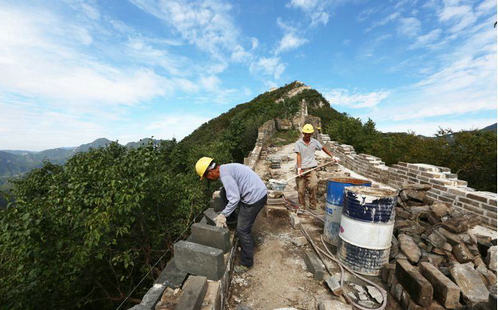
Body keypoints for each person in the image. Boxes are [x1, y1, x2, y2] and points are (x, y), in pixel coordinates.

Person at [195, 157, 267, 272]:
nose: (209, 179)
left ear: (211, 171)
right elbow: (230, 191)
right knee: (224, 192)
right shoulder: (225, 169)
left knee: (242, 230)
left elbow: (234, 198)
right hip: (256, 191)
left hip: (254, 199)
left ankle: (247, 263)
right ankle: (232, 220)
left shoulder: (225, 176)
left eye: (207, 177)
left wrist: (223, 215)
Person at [294, 124, 337, 210]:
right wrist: (299, 169)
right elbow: (298, 156)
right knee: (301, 190)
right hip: (301, 169)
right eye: (306, 133)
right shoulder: (298, 143)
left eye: (309, 134)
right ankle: (302, 205)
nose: (307, 135)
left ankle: (312, 204)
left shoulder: (314, 142)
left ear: (311, 134)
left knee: (313, 186)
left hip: (311, 168)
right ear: (303, 133)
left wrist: (332, 156)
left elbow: (323, 148)